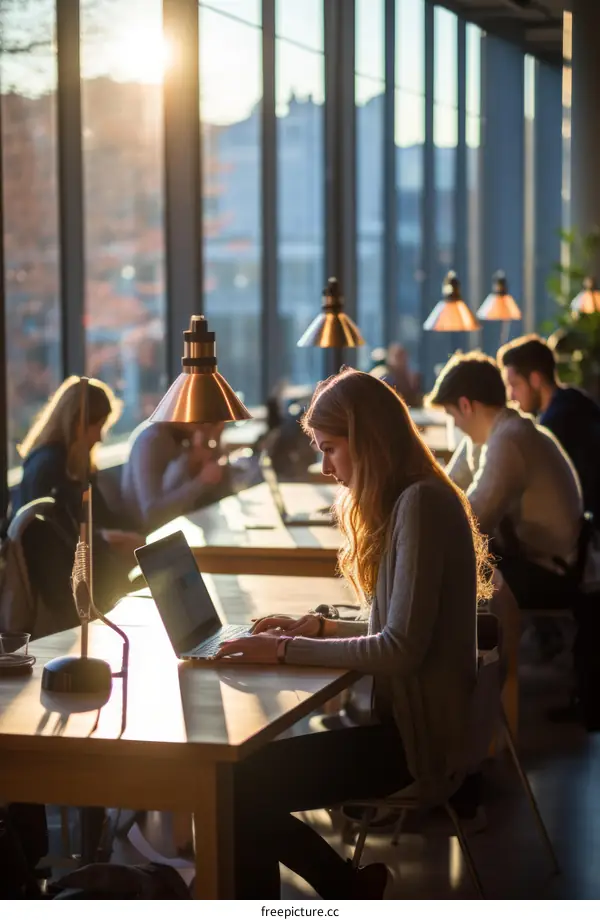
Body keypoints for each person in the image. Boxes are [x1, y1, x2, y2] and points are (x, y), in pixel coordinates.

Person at [214, 368, 491, 899]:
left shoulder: (421, 505)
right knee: (239, 783)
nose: (325, 468)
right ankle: (346, 886)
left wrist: (283, 650)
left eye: (332, 449)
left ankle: (343, 889)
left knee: (237, 787)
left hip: (416, 743)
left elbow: (401, 649)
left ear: (369, 441)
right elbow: (403, 628)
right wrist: (317, 626)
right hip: (416, 728)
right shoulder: (420, 497)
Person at [426, 352, 583, 612]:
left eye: (451, 414)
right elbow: (446, 487)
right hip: (535, 560)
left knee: (444, 573)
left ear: (466, 405)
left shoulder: (510, 439)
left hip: (551, 571)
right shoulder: (490, 435)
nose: (454, 424)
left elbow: (476, 520)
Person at [13, 376, 143, 617]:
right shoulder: (48, 467)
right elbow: (55, 538)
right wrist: (109, 539)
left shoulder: (71, 464)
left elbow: (97, 516)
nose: (101, 437)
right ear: (79, 423)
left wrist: (118, 536)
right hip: (62, 585)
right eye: (99, 426)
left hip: (80, 572)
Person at [497, 333, 600, 524]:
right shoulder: (574, 401)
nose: (511, 395)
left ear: (535, 379)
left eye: (514, 385)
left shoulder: (556, 424)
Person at [121, 420, 226, 532]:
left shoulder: (185, 436)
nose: (203, 426)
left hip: (178, 524)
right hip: (146, 533)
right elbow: (152, 514)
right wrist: (201, 481)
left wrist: (216, 438)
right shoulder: (153, 439)